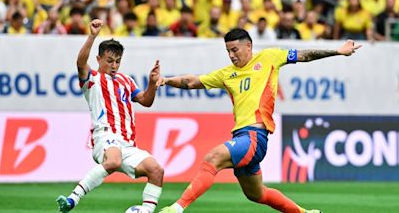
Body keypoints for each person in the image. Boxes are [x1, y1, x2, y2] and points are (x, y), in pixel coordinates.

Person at [158, 28, 361, 213]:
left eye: (235, 50)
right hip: (242, 138)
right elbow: (192, 81)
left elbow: (304, 55)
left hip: (255, 136)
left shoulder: (269, 57)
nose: (231, 55)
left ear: (249, 46)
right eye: (228, 51)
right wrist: (166, 80)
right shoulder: (226, 74)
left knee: (213, 158)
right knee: (257, 194)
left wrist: (336, 51)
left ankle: (176, 208)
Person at [56, 19, 164, 213]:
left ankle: (144, 211)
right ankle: (73, 199)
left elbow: (146, 100)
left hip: (128, 144)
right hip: (104, 136)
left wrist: (152, 83)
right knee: (113, 161)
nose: (114, 66)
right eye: (109, 61)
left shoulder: (126, 80)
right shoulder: (93, 79)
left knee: (156, 170)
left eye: (117, 61)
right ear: (98, 59)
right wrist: (92, 36)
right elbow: (80, 62)